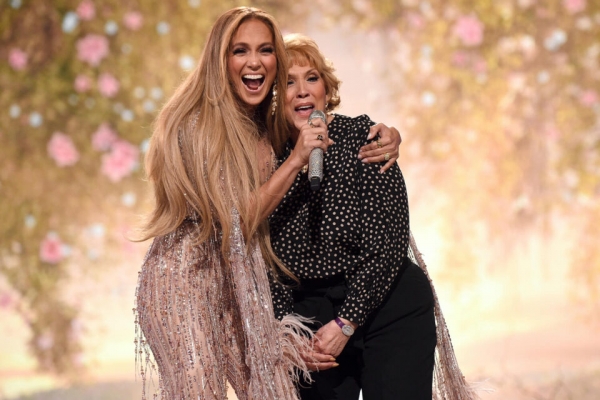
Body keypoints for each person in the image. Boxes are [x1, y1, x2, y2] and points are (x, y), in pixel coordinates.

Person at [133, 7, 402, 400]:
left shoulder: (268, 124)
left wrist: (385, 136)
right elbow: (232, 225)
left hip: (242, 285)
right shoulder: (194, 123)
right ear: (220, 60)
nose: (254, 61)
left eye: (265, 50)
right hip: (184, 283)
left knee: (275, 392)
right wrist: (295, 162)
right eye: (240, 50)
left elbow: (319, 125)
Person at [268, 34, 478, 400]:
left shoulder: (363, 139)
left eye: (312, 78)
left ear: (326, 89)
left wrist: (348, 320)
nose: (302, 91)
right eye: (288, 81)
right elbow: (264, 258)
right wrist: (286, 335)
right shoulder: (266, 162)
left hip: (386, 302)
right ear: (273, 95)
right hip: (310, 320)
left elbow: (389, 239)